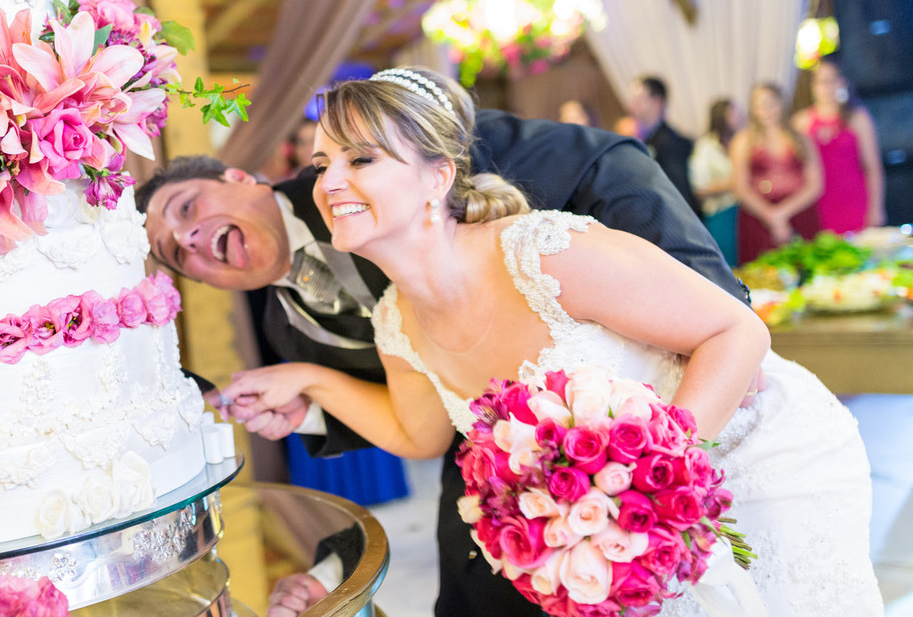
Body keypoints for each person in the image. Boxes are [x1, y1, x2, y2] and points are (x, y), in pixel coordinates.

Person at [221, 70, 882, 615]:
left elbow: (736, 330)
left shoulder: (541, 254)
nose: (329, 183)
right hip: (624, 530)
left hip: (756, 464)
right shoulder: (396, 321)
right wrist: (309, 379)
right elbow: (416, 432)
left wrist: (650, 492)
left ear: (437, 177)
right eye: (322, 164)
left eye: (360, 158)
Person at [730, 83, 823, 265]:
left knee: (804, 266)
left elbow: (815, 185)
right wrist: (771, 216)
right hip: (759, 217)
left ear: (782, 104)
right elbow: (741, 188)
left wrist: (782, 213)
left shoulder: (801, 138)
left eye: (771, 103)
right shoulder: (743, 141)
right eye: (760, 105)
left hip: (798, 212)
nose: (766, 110)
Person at [792, 55, 886, 234]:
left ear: (842, 83)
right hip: (816, 205)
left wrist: (876, 208)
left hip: (854, 199)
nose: (826, 87)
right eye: (821, 82)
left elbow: (872, 167)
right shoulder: (801, 122)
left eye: (831, 81)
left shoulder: (857, 118)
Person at [626, 76, 700, 215]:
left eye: (638, 100)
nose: (631, 106)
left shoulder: (671, 143)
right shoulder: (647, 139)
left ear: (657, 102)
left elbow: (679, 193)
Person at [689, 98, 745, 266]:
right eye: (733, 113)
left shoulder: (744, 140)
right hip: (721, 212)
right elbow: (699, 187)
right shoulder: (706, 146)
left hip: (745, 211)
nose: (738, 117)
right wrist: (735, 184)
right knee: (729, 262)